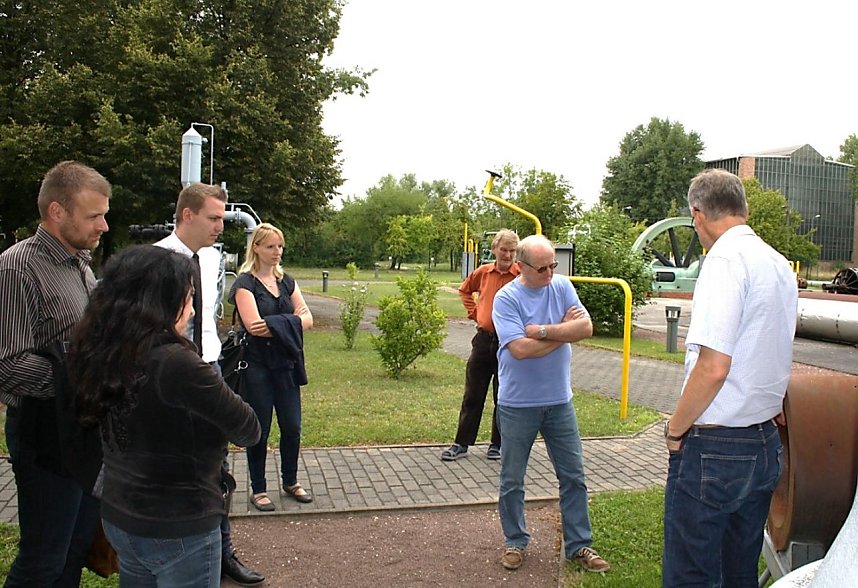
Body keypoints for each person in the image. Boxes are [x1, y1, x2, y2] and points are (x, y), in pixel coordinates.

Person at [69, 245, 261, 586]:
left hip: (121, 515)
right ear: (165, 302)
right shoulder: (177, 363)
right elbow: (248, 428)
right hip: (178, 522)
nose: (190, 309)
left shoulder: (101, 347)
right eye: (188, 298)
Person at [662, 169, 797, 587]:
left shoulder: (723, 260)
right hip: (764, 443)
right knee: (738, 573)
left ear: (696, 214)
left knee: (692, 576)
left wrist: (675, 427)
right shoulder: (777, 263)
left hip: (716, 446)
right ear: (745, 210)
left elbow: (713, 366)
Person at [0, 161, 109, 586]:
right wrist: (80, 383)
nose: (103, 224)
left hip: (82, 426)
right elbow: (7, 364)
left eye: (104, 213)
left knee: (75, 550)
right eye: (93, 215)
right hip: (44, 431)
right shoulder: (16, 268)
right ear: (57, 212)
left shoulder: (80, 264)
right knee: (43, 559)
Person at [154, 182, 265, 585]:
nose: (222, 225)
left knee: (217, 465)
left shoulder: (211, 259)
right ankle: (178, 552)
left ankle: (222, 554)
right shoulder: (158, 260)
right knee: (181, 464)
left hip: (210, 366)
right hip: (171, 374)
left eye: (222, 217)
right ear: (188, 215)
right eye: (213, 218)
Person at [492, 234, 610, 574]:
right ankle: (515, 541)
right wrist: (564, 332)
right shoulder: (507, 298)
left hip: (560, 402)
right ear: (521, 266)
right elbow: (519, 350)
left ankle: (579, 544)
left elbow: (585, 327)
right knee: (512, 479)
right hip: (517, 404)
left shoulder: (561, 286)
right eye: (542, 268)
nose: (549, 273)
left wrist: (543, 331)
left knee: (574, 476)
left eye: (552, 265)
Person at [231, 223, 314, 511]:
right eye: (270, 246)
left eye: (279, 246)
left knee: (292, 426)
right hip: (257, 367)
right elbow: (254, 327)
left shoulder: (287, 281)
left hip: (287, 366)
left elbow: (308, 318)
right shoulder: (244, 284)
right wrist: (292, 322)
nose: (276, 251)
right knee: (261, 428)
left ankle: (290, 480)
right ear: (256, 247)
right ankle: (259, 487)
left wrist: (281, 324)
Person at [441, 229, 519, 462]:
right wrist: (474, 312)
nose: (507, 255)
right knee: (473, 394)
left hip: (509, 343)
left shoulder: (521, 275)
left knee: (503, 396)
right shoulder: (484, 272)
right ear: (494, 249)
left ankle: (498, 444)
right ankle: (461, 443)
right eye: (503, 250)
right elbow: (465, 290)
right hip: (484, 340)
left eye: (512, 251)